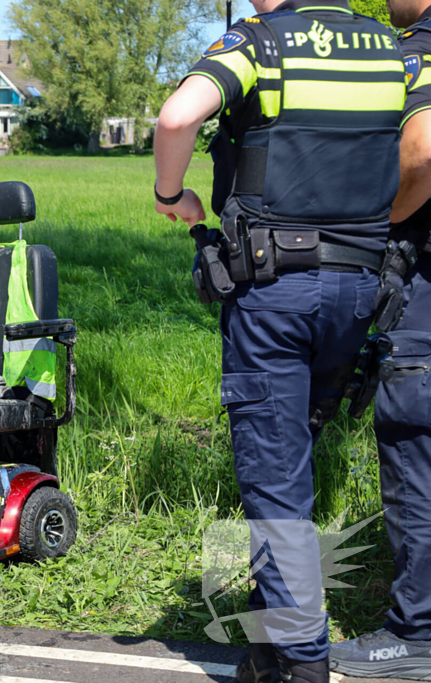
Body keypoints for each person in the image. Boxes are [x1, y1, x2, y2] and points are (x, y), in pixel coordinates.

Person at [153, 0, 405, 679]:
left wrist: (170, 192)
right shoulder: (389, 46)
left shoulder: (261, 44)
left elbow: (178, 116)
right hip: (359, 293)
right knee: (291, 459)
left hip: (275, 292)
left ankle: (300, 660)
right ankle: (271, 641)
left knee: (275, 478)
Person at [328, 0, 431, 677]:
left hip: (424, 290)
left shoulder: (419, 49)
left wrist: (373, 222)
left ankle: (415, 633)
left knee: (413, 444)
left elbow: (422, 148)